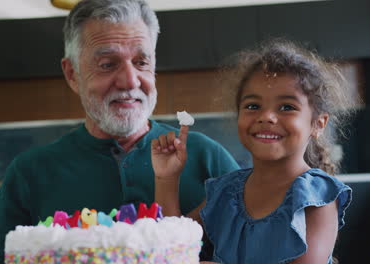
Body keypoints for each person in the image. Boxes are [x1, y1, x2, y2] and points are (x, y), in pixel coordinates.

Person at [0, 0, 239, 263]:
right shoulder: (30, 173)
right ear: (72, 74)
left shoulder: (207, 158)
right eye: (107, 64)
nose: (130, 80)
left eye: (141, 61)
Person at [152, 39, 356, 264]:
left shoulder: (318, 196)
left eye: (287, 107)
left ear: (318, 124)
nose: (266, 116)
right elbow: (172, 245)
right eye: (253, 106)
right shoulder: (225, 191)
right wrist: (166, 179)